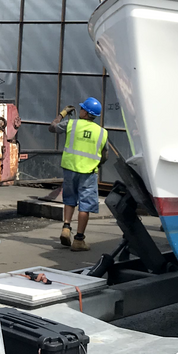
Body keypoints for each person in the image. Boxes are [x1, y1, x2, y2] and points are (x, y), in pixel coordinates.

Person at [49, 97, 108, 252]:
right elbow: (105, 155)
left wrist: (62, 113)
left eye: (82, 108)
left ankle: (66, 227)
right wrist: (95, 164)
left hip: (70, 169)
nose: (80, 110)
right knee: (85, 205)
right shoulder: (102, 132)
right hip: (88, 173)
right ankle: (79, 240)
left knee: (69, 199)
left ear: (85, 112)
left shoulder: (71, 124)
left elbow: (52, 127)